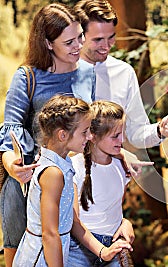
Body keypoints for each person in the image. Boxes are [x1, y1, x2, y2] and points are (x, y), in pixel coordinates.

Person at [0, 3, 95, 266]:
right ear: (48, 43)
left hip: (73, 175)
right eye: (69, 42)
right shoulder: (28, 76)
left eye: (80, 37)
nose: (78, 45)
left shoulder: (88, 73)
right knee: (23, 251)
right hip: (28, 178)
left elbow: (90, 125)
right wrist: (12, 165)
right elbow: (12, 128)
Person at [12, 95, 131, 266]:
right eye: (84, 132)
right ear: (63, 135)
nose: (90, 136)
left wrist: (120, 153)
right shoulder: (53, 173)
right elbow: (50, 234)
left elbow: (70, 220)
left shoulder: (61, 162)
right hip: (43, 258)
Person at [74, 0, 168, 150]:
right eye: (98, 39)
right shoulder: (59, 71)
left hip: (113, 168)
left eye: (111, 37)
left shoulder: (124, 72)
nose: (106, 46)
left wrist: (160, 130)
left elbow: (136, 132)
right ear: (79, 36)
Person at [68, 100, 134, 266]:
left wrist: (125, 222)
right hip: (80, 248)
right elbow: (74, 222)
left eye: (123, 133)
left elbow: (115, 207)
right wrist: (102, 251)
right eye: (115, 136)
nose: (122, 140)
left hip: (113, 243)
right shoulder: (74, 166)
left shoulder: (122, 167)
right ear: (93, 136)